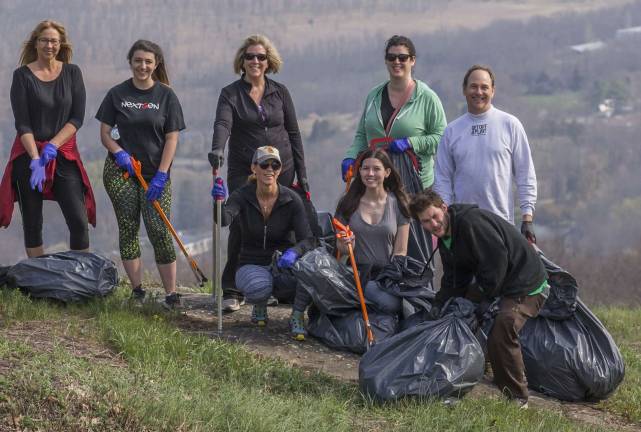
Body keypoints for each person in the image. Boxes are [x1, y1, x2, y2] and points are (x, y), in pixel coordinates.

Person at [410, 189, 548, 409]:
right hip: (497, 281)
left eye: (435, 216)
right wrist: (438, 305)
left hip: (526, 283)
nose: (433, 224)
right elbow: (454, 280)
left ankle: (517, 397)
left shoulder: (471, 224)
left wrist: (484, 300)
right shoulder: (445, 240)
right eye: (426, 222)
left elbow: (497, 262)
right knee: (457, 316)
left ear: (444, 208)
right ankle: (458, 376)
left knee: (503, 325)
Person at [210, 34, 310, 312]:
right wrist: (217, 148)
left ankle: (278, 283)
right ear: (242, 61)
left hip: (282, 167)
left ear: (269, 62)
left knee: (283, 223)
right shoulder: (231, 94)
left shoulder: (280, 92)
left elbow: (294, 132)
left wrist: (302, 172)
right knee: (241, 224)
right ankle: (232, 288)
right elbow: (223, 123)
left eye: (261, 57)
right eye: (250, 56)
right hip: (246, 168)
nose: (256, 61)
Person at [96, 40, 185, 308]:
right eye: (138, 61)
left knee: (159, 230)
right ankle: (137, 291)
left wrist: (161, 174)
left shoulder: (166, 96)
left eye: (148, 61)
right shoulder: (117, 94)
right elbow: (104, 133)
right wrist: (118, 153)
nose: (142, 66)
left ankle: (171, 294)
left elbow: (172, 138)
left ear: (156, 63)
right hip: (120, 173)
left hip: (155, 174)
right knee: (128, 228)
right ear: (130, 62)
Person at [342, 35, 446, 263]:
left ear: (413, 61)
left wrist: (411, 143)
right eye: (392, 57)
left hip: (413, 181)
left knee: (414, 242)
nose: (397, 62)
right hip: (375, 180)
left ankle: (418, 291)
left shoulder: (427, 98)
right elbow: (362, 134)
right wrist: (351, 157)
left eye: (403, 57)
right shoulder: (374, 96)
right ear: (386, 60)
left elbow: (441, 137)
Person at [0, 20, 95, 257]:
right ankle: (39, 278)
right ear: (36, 43)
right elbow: (22, 123)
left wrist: (52, 146)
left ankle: (80, 275)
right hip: (28, 154)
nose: (49, 45)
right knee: (32, 223)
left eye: (54, 40)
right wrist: (35, 158)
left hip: (63, 153)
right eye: (44, 40)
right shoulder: (22, 76)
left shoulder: (72, 73)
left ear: (61, 44)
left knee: (78, 219)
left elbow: (77, 118)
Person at [212, 146, 315, 340]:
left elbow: (308, 240)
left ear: (280, 169)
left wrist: (294, 251)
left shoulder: (291, 199)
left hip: (283, 263)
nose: (269, 169)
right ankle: (260, 303)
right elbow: (224, 219)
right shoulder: (242, 196)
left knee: (311, 272)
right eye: (264, 164)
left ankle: (297, 315)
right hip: (251, 263)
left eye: (274, 165)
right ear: (254, 168)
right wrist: (218, 202)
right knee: (260, 288)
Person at [433, 64, 537, 242]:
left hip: (501, 225)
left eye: (484, 87)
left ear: (493, 91)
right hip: (462, 226)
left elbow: (525, 173)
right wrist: (446, 217)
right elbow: (442, 179)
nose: (478, 92)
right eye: (473, 86)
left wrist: (527, 217)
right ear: (464, 90)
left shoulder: (510, 125)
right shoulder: (451, 131)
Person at [334, 149, 410, 315]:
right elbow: (342, 249)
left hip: (387, 276)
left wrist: (391, 278)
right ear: (359, 171)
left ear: (387, 172)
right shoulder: (348, 204)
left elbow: (401, 250)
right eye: (365, 168)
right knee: (390, 305)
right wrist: (347, 245)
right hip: (357, 274)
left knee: (404, 305)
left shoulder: (399, 204)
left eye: (376, 169)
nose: (370, 173)